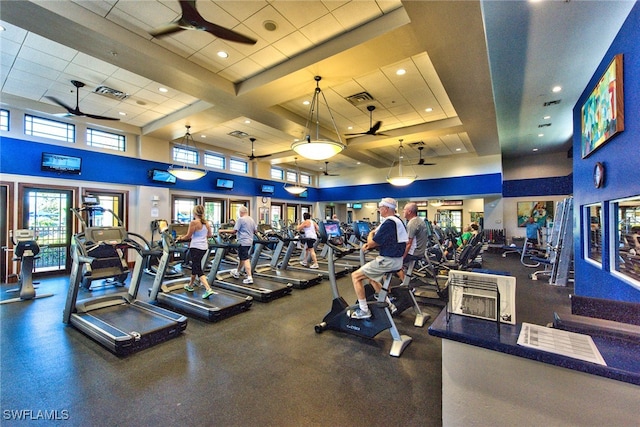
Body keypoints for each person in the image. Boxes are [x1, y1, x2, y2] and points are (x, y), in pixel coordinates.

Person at [349, 197, 407, 320]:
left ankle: (364, 310)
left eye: (380, 208)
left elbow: (372, 243)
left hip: (388, 261)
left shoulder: (389, 223)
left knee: (355, 276)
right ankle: (390, 304)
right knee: (372, 278)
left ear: (386, 209)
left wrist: (370, 235)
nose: (379, 210)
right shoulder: (398, 221)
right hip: (397, 261)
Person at [177, 205, 216, 299]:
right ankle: (190, 285)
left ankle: (208, 288)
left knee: (198, 269)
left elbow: (188, 236)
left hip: (195, 247)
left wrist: (180, 238)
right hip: (204, 248)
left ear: (194, 213)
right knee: (196, 266)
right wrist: (202, 237)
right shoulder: (206, 223)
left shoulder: (193, 222)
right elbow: (210, 235)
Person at [220, 205, 257, 284]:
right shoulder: (251, 219)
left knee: (246, 259)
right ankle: (237, 272)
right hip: (249, 241)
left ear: (241, 212)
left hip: (243, 242)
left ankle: (249, 277)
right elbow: (255, 231)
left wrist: (222, 231)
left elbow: (234, 231)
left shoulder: (240, 219)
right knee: (242, 258)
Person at [397, 202, 428, 281]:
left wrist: (402, 258)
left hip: (414, 253)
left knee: (392, 261)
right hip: (420, 252)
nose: (403, 211)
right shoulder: (420, 220)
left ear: (409, 211)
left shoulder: (412, 223)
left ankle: (405, 285)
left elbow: (408, 244)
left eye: (404, 210)